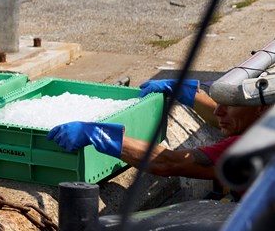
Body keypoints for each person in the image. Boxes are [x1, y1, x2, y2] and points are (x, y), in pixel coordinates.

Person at [47, 78, 271, 192]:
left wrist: (99, 135)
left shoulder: (248, 148)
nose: (217, 111)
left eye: (229, 105)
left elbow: (167, 164)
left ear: (260, 107)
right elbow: (226, 118)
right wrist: (186, 91)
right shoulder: (264, 113)